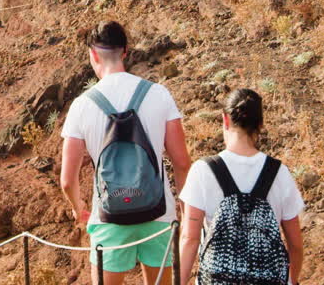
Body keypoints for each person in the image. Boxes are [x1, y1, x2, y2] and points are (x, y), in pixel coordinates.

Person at [60, 21, 192, 285]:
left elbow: (67, 180)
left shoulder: (82, 106)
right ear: (125, 51)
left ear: (93, 54)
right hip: (158, 213)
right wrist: (184, 207)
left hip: (109, 217)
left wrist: (78, 208)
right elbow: (181, 162)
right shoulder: (159, 94)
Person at [178, 88, 304, 285]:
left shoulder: (202, 170)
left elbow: (189, 239)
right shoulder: (279, 173)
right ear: (260, 124)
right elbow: (295, 245)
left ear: (225, 120)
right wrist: (292, 280)